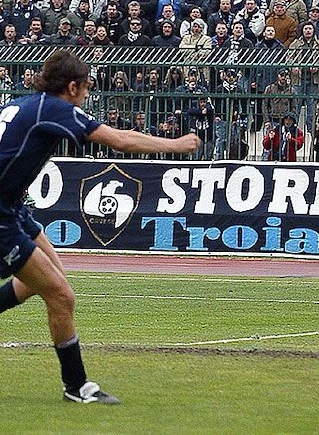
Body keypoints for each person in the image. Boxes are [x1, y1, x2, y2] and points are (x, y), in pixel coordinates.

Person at [0, 50, 199, 404]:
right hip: (1, 214)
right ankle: (76, 386)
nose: (88, 94)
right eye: (87, 87)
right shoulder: (54, 108)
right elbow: (120, 140)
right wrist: (176, 145)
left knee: (51, 282)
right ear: (72, 86)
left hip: (12, 207)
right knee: (61, 295)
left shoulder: (27, 104)